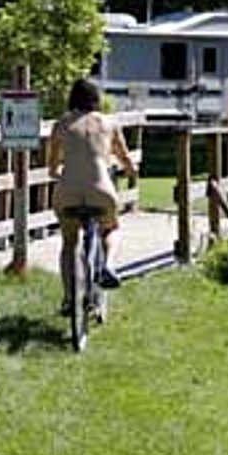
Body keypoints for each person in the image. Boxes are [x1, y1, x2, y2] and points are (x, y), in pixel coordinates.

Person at [48, 78, 137, 315]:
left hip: (68, 191)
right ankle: (108, 266)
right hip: (101, 189)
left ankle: (69, 299)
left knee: (69, 243)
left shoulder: (61, 125)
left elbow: (52, 167)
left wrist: (59, 173)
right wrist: (131, 172)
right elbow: (125, 159)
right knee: (111, 228)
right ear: (96, 99)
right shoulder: (109, 123)